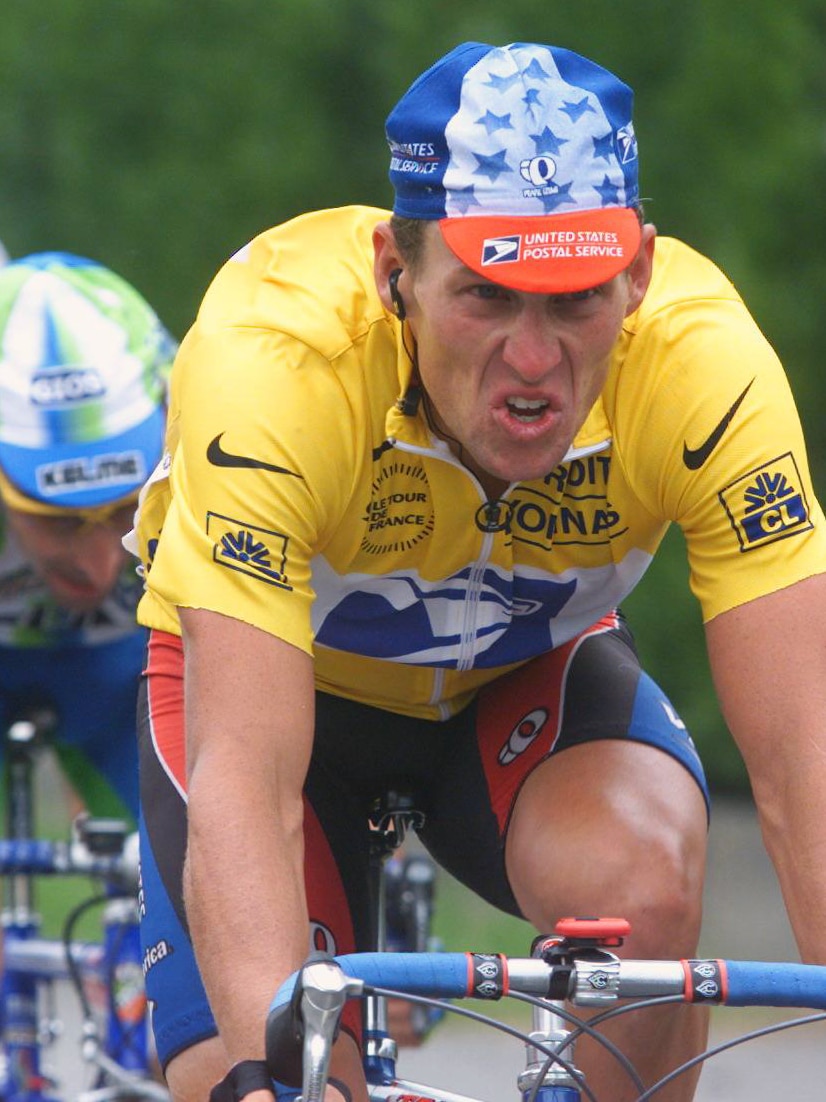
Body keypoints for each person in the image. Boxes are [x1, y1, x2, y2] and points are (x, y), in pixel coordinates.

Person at [128, 40, 826, 1102]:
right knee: (272, 1078)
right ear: (391, 272)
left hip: (520, 681)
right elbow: (249, 779)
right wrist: (275, 1068)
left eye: (577, 299)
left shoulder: (703, 369)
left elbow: (802, 767)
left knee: (638, 887)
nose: (535, 360)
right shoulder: (277, 367)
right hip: (273, 704)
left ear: (639, 271)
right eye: (487, 298)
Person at [0, 250, 175, 822]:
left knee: (176, 874)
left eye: (126, 508)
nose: (99, 565)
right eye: (59, 519)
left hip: (121, 674)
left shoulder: (194, 424)